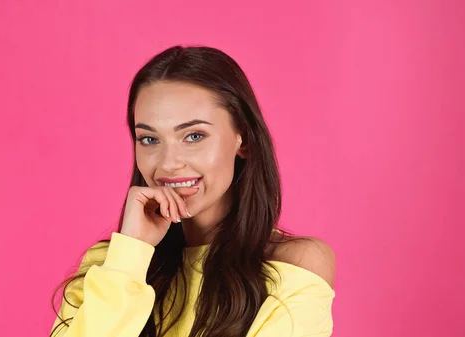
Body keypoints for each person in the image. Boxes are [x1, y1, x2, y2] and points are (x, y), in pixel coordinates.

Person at [49, 45, 336, 337]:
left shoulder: (292, 263)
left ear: (244, 140)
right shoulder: (113, 264)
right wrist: (131, 256)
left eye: (194, 136)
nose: (169, 164)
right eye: (149, 139)